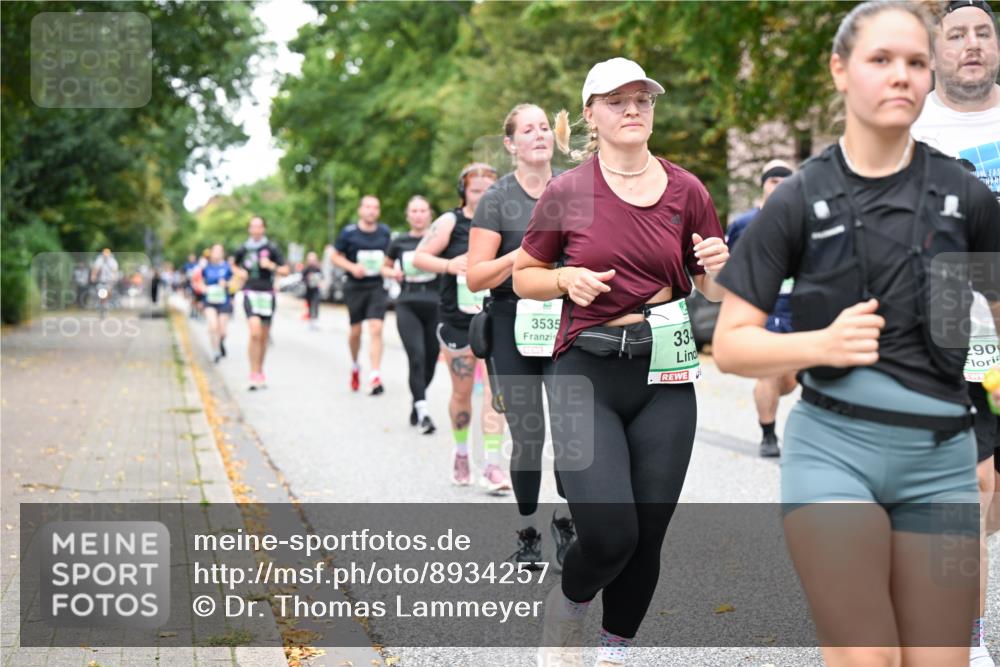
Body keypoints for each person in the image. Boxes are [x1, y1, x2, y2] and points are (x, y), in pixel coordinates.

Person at [713, 2, 1000, 665]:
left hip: (943, 462)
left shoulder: (965, 197)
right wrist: (819, 345)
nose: (901, 75)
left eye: (915, 63)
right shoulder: (796, 201)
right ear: (840, 70)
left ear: (930, 79)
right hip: (834, 451)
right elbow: (731, 343)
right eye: (881, 60)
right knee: (869, 654)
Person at [513, 57, 728, 666]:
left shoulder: (688, 190)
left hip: (666, 374)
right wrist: (565, 280)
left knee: (648, 536)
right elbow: (525, 277)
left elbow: (713, 288)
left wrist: (719, 264)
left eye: (642, 99)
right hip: (587, 370)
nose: (633, 109)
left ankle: (616, 650)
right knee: (612, 534)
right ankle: (571, 602)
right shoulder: (568, 191)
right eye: (616, 100)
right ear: (591, 114)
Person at [910, 2, 1000, 664]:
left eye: (984, 32)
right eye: (957, 35)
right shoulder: (911, 123)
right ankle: (967, 639)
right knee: (976, 483)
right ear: (936, 51)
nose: (972, 45)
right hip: (949, 331)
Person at [467, 103, 574, 570]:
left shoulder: (575, 190)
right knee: (529, 437)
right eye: (527, 129)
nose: (539, 134)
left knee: (575, 432)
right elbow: (476, 277)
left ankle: (566, 524)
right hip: (513, 325)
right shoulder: (496, 199)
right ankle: (528, 533)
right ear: (510, 144)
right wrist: (525, 256)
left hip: (568, 319)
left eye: (545, 127)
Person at [413, 164, 513, 495]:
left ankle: (493, 465)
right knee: (462, 392)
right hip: (457, 320)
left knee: (494, 393)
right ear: (463, 193)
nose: (482, 195)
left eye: (489, 189)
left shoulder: (507, 222)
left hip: (495, 316)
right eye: (475, 190)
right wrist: (449, 264)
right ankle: (461, 454)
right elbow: (419, 257)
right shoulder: (450, 222)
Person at [725, 159, 798, 457]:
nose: (779, 186)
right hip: (760, 310)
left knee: (789, 380)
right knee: (768, 370)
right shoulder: (743, 225)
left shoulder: (807, 220)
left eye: (785, 181)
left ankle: (770, 399)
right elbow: (727, 270)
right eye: (773, 180)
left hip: (798, 309)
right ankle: (768, 435)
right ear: (764, 184)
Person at [385, 195, 441, 434]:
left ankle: (417, 401)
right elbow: (384, 265)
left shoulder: (439, 240)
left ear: (429, 214)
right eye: (414, 211)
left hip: (436, 305)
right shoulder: (399, 242)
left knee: (430, 362)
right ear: (408, 215)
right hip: (408, 304)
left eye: (422, 210)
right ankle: (424, 412)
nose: (418, 215)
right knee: (416, 357)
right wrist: (392, 273)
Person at [331, 195, 392, 395]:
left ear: (379, 211)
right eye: (367, 207)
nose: (371, 211)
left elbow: (389, 259)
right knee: (356, 331)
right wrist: (352, 267)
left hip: (376, 286)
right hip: (355, 287)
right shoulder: (349, 233)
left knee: (376, 328)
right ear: (360, 210)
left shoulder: (384, 232)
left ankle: (375, 374)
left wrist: (389, 270)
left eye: (375, 207)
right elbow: (334, 256)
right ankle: (355, 364)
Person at [233, 216, 289, 390]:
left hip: (267, 295)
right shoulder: (243, 248)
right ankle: (253, 372)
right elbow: (233, 265)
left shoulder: (271, 248)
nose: (256, 230)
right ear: (249, 229)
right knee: (254, 332)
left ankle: (260, 370)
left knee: (263, 337)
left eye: (259, 227)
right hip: (250, 292)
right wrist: (239, 272)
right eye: (253, 227)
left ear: (263, 229)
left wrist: (271, 266)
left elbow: (285, 270)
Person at [200, 243, 234, 363]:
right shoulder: (206, 267)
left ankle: (220, 342)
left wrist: (227, 284)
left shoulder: (227, 267)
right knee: (213, 326)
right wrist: (203, 287)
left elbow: (234, 283)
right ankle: (215, 351)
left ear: (223, 253)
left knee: (223, 331)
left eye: (220, 251)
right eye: (215, 251)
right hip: (209, 300)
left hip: (223, 300)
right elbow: (199, 281)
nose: (217, 253)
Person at [302, 251, 323, 329]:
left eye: (313, 260)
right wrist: (307, 278)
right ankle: (311, 321)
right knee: (310, 305)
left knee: (316, 305)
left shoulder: (317, 268)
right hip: (309, 290)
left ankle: (316, 320)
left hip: (316, 290)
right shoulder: (306, 269)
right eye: (310, 260)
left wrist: (319, 280)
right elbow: (302, 278)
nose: (312, 262)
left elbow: (321, 277)